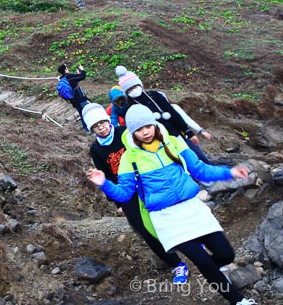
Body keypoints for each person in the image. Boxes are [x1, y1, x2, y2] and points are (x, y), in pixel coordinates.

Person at [87, 104, 254, 305]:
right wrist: (104, 183)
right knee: (202, 261)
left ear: (154, 124)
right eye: (138, 129)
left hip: (192, 208)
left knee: (226, 255)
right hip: (165, 217)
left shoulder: (174, 143)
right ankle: (238, 300)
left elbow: (200, 170)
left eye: (147, 126)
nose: (145, 132)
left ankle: (214, 272)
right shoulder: (128, 158)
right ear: (132, 132)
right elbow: (124, 193)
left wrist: (230, 173)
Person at [82, 103, 187, 283]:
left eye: (102, 123)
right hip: (126, 192)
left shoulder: (125, 133)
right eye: (95, 126)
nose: (101, 128)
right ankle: (177, 264)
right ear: (92, 129)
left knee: (167, 216)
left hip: (147, 183)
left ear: (108, 121)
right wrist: (118, 203)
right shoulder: (96, 149)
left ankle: (192, 246)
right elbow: (105, 175)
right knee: (144, 230)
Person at [115, 65, 211, 164]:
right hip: (157, 141)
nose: (133, 90)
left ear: (139, 84)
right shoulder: (130, 108)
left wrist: (189, 133)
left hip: (176, 134)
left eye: (134, 86)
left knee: (191, 158)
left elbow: (174, 114)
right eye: (129, 89)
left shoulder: (155, 95)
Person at [56, 63, 91, 133]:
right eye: (66, 68)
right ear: (65, 70)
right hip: (81, 99)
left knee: (82, 114)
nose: (68, 69)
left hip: (74, 101)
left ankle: (87, 130)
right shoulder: (70, 77)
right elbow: (83, 76)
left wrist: (78, 74)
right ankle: (92, 127)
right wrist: (82, 70)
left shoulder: (61, 80)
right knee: (88, 113)